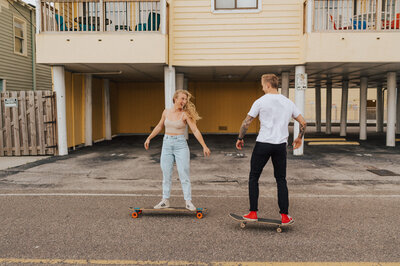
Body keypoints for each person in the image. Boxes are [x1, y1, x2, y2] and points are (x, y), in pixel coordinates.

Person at [236, 74, 306, 225]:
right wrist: (299, 137)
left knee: (254, 177)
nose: (262, 88)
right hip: (280, 146)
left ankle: (253, 213)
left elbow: (246, 122)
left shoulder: (260, 101)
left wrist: (240, 138)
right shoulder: (288, 102)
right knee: (281, 179)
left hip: (263, 144)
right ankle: (285, 216)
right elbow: (303, 123)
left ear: (267, 85)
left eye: (262, 85)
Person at [144, 89, 211, 211]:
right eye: (182, 98)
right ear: (175, 98)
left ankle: (188, 201)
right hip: (167, 144)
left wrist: (204, 145)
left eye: (185, 99)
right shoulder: (166, 112)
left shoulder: (185, 114)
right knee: (166, 173)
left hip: (181, 145)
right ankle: (165, 200)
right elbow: (159, 126)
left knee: (183, 173)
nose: (184, 101)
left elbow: (195, 130)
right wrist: (149, 138)